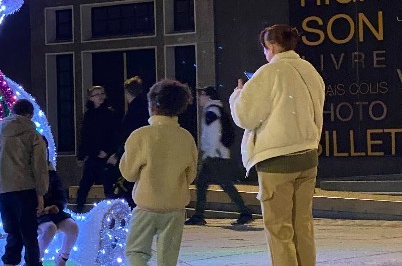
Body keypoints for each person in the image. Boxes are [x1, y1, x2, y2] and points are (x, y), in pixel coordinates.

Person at [229, 24, 325, 266]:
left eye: (265, 48)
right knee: (302, 225)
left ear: (271, 46)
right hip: (308, 155)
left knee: (279, 229)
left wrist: (237, 95)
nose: (265, 54)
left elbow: (245, 117)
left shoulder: (269, 73)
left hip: (277, 160)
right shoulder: (310, 70)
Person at [119, 79, 198, 266]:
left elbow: (128, 173)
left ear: (153, 106)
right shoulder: (186, 137)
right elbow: (191, 174)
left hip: (147, 206)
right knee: (168, 258)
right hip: (175, 208)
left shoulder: (141, 135)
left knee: (136, 251)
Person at [0, 99, 49, 266]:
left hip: (2, 190)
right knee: (29, 234)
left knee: (13, 232)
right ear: (30, 115)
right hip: (25, 188)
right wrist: (41, 193)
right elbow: (39, 166)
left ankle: (9, 263)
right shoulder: (33, 135)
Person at [185, 86, 253, 226]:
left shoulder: (212, 111)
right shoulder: (214, 110)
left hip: (215, 156)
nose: (199, 98)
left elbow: (214, 134)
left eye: (202, 95)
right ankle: (199, 215)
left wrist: (209, 152)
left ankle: (244, 212)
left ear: (208, 97)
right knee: (204, 184)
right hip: (216, 155)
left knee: (222, 184)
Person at [75, 85, 120, 213]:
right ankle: (79, 211)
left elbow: (115, 135)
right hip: (93, 156)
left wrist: (108, 152)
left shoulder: (111, 114)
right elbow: (85, 137)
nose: (100, 96)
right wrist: (81, 155)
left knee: (109, 188)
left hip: (107, 157)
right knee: (84, 186)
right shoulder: (88, 115)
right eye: (96, 94)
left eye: (102, 93)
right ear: (91, 98)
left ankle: (114, 215)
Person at [107, 76, 150, 208]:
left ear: (127, 93)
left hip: (132, 153)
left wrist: (118, 154)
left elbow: (130, 135)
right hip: (143, 152)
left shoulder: (134, 111)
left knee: (119, 181)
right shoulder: (145, 107)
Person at [37, 160, 79, 266]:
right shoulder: (27, 172)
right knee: (50, 228)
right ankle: (36, 259)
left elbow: (60, 194)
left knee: (73, 227)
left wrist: (56, 206)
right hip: (36, 214)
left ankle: (62, 258)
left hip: (53, 211)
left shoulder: (51, 173)